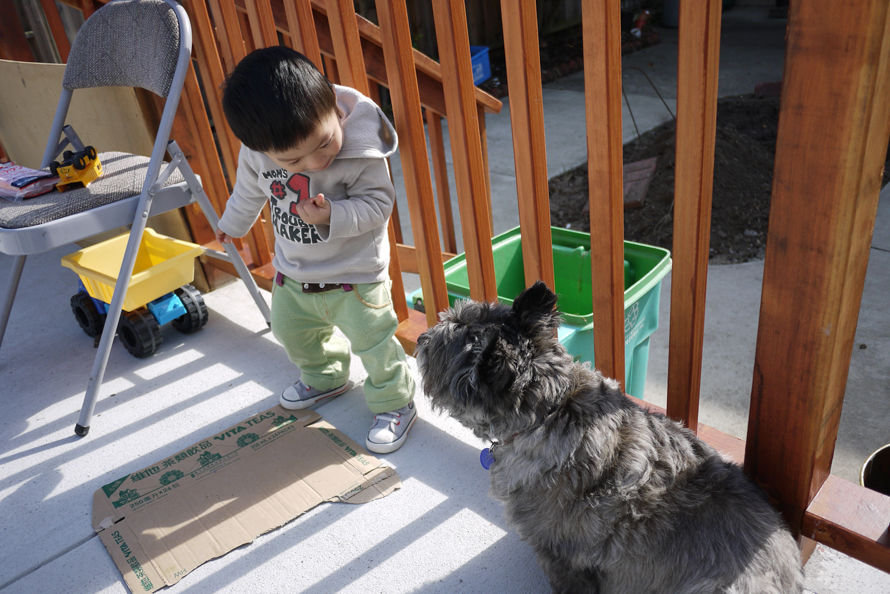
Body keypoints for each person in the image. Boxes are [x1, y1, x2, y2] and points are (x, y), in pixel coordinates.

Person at [217, 46, 416, 454]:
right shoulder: (258, 153)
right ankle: (326, 377)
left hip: (355, 279)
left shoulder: (361, 149)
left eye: (324, 143)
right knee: (291, 332)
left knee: (375, 345)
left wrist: (332, 216)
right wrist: (231, 225)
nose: (316, 163)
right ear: (262, 150)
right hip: (294, 272)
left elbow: (379, 205)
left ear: (334, 108)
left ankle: (396, 403)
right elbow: (248, 191)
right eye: (292, 160)